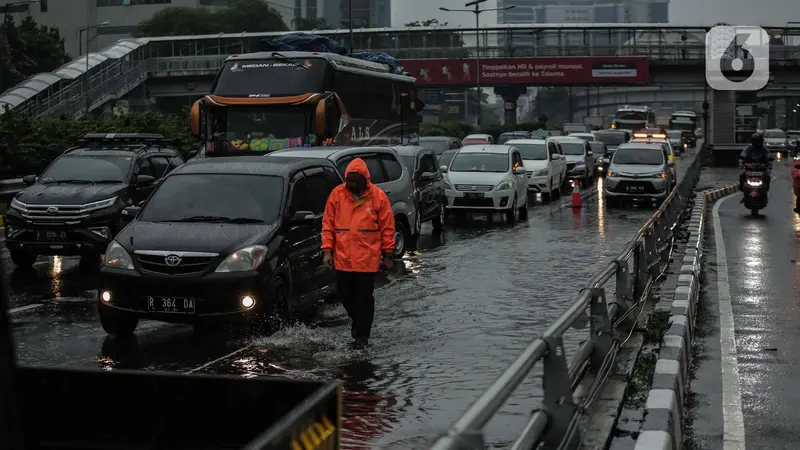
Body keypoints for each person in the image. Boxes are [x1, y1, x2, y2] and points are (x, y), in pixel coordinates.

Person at [321, 158, 395, 350]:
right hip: (343, 258)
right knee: (345, 295)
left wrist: (388, 255)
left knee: (364, 298)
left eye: (356, 181)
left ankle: (362, 336)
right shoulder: (337, 195)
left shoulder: (378, 197)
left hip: (367, 260)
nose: (352, 185)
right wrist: (327, 251)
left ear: (365, 180)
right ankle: (360, 323)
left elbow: (387, 227)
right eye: (349, 181)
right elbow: (328, 225)